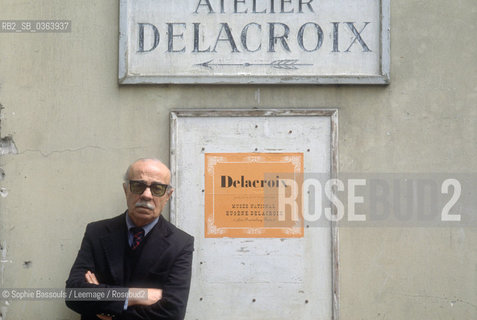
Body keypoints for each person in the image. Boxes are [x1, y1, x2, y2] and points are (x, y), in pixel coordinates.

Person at [65, 158, 194, 320]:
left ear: (168, 195)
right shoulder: (96, 233)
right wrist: (135, 295)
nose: (146, 195)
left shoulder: (181, 243)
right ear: (126, 190)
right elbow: (73, 294)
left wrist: (107, 309)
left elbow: (173, 312)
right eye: (138, 186)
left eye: (157, 188)